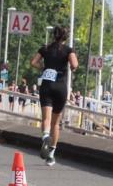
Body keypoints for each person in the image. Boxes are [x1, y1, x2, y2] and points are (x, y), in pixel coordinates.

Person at [31, 26, 79, 166]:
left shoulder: (45, 48)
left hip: (46, 85)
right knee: (55, 123)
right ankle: (51, 155)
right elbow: (74, 64)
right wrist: (72, 68)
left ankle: (45, 136)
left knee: (46, 119)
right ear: (66, 37)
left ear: (54, 35)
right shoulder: (68, 50)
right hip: (60, 87)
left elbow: (33, 62)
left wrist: (43, 68)